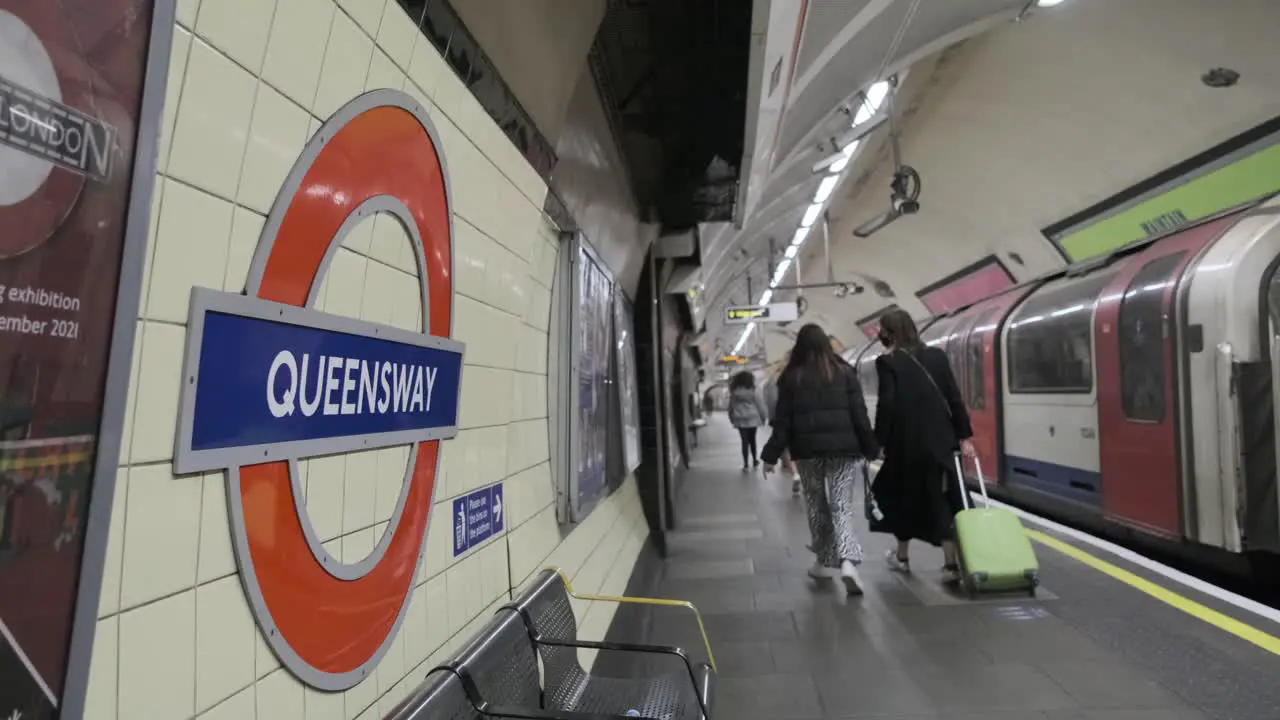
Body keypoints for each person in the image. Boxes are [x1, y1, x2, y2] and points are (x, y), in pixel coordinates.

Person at [762, 323, 878, 595]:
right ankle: (848, 562)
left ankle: (824, 562)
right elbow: (859, 416)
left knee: (816, 505)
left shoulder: (791, 378)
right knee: (841, 507)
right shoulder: (845, 374)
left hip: (808, 452)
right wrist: (871, 448)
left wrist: (770, 456)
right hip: (843, 451)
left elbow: (783, 424)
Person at [870, 309, 976, 584]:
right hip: (941, 443)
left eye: (881, 329)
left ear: (890, 332)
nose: (878, 334)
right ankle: (950, 565)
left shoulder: (887, 362)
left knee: (899, 496)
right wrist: (964, 436)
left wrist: (878, 441)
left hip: (906, 445)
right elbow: (954, 397)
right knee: (942, 499)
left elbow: (888, 405)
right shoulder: (937, 356)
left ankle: (902, 557)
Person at [727, 371, 768, 470]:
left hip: (740, 419)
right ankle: (754, 460)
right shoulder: (753, 390)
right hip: (753, 419)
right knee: (752, 440)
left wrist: (732, 418)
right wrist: (763, 418)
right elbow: (760, 405)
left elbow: (730, 407)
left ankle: (745, 463)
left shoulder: (734, 392)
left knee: (744, 441)